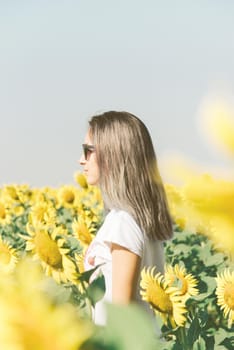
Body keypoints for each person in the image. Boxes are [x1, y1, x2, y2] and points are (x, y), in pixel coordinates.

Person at [79, 111, 173, 326]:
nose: (81, 160)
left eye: (88, 151)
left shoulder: (123, 223)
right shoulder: (137, 218)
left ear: (112, 154)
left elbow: (122, 315)